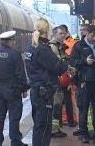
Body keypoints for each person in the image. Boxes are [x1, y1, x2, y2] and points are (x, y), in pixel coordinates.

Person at [25, 18, 72, 146]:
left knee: (38, 125)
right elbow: (58, 66)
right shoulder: (42, 49)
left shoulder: (30, 47)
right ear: (46, 31)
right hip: (44, 93)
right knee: (44, 126)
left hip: (36, 91)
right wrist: (65, 63)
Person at [0, 30, 30, 146]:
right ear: (10, 41)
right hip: (13, 90)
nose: (14, 43)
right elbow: (21, 75)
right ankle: (15, 141)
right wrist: (24, 89)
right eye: (13, 41)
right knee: (14, 117)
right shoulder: (14, 54)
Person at [70, 26, 95, 144]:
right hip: (84, 82)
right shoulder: (78, 46)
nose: (94, 38)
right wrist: (85, 61)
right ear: (87, 33)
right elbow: (72, 62)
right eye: (92, 36)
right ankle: (83, 134)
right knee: (83, 109)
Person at [48, 26, 69, 138]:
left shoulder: (60, 46)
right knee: (55, 105)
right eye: (60, 33)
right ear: (54, 34)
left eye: (64, 33)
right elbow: (56, 63)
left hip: (59, 81)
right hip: (55, 81)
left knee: (58, 105)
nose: (63, 35)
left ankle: (56, 128)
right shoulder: (52, 47)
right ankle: (54, 130)